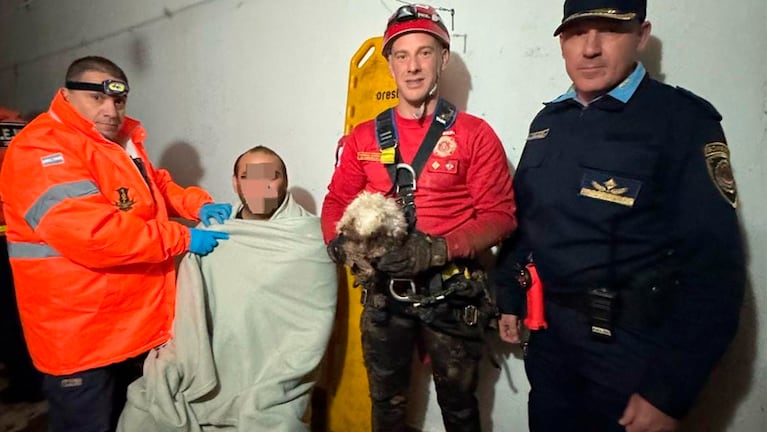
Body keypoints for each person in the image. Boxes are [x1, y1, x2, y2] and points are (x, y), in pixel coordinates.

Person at [494, 1, 746, 431]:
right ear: (561, 43)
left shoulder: (681, 120)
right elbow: (528, 220)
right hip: (552, 342)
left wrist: (668, 392)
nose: (590, 48)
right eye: (576, 33)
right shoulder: (549, 122)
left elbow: (716, 269)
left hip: (633, 354)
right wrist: (509, 297)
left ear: (641, 36)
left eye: (608, 30)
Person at [0, 56, 231, 432]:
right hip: (80, 334)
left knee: (131, 420)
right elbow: (95, 234)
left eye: (118, 101)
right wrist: (183, 236)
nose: (110, 110)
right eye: (97, 98)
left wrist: (197, 204)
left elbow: (157, 186)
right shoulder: (42, 150)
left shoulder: (118, 143)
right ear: (66, 95)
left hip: (127, 326)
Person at [321, 4, 516, 431]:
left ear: (443, 58)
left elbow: (501, 216)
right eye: (402, 55)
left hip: (452, 293)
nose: (413, 67)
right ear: (389, 63)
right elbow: (335, 201)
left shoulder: (474, 134)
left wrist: (440, 248)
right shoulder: (365, 137)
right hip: (384, 297)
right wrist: (339, 246)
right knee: (386, 407)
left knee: (460, 409)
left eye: (424, 53)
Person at [118, 146, 337, 431]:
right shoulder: (213, 232)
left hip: (271, 370)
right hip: (208, 361)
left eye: (272, 176)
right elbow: (188, 309)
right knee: (142, 413)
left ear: (285, 180)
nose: (261, 186)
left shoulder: (309, 238)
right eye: (250, 177)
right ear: (235, 183)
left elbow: (312, 324)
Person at [0, 106, 44, 404]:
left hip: (9, 231)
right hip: (26, 231)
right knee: (22, 311)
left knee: (7, 316)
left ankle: (26, 382)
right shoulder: (15, 122)